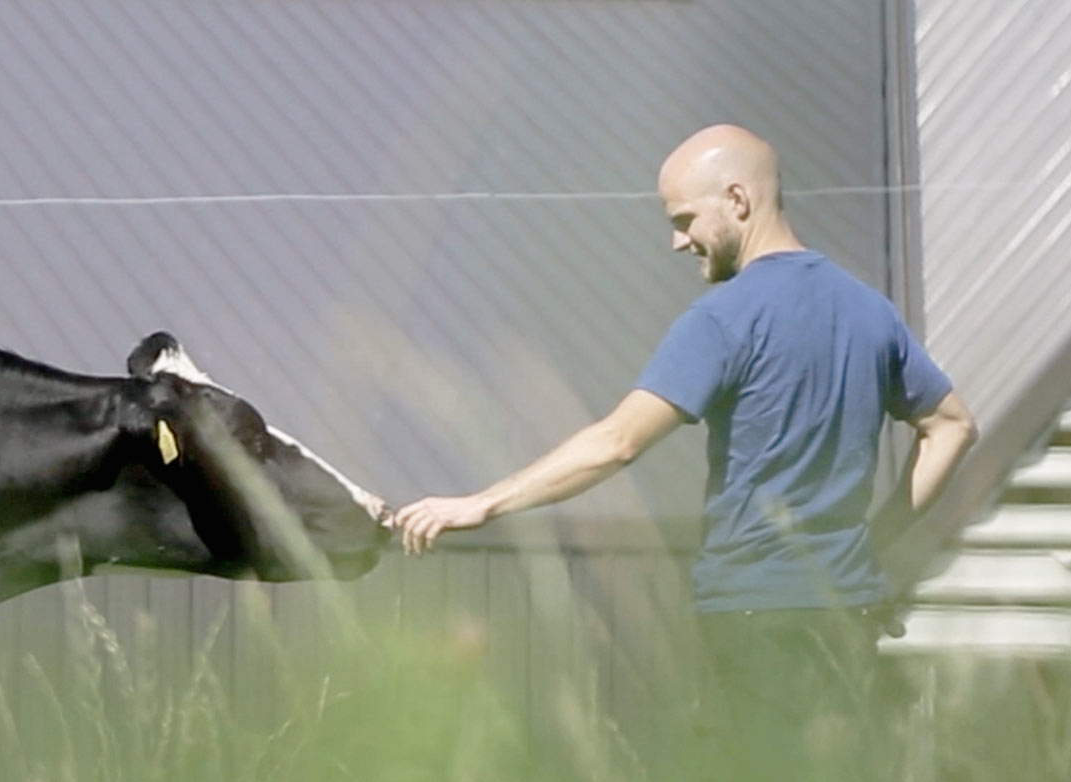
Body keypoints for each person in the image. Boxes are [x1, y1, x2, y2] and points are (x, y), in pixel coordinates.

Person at [393, 123, 977, 741]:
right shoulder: (868, 308)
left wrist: (482, 503)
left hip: (755, 616)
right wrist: (873, 544)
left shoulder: (724, 318)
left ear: (738, 200)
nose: (677, 242)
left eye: (684, 219)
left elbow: (616, 442)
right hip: (850, 607)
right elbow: (952, 427)